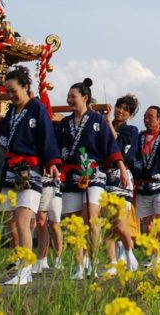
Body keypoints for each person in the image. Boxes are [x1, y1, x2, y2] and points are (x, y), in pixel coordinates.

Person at [0, 65, 61, 286]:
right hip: (11, 169)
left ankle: (26, 269)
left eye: (14, 90)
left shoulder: (37, 108)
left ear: (25, 86)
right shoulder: (12, 112)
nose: (11, 95)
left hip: (30, 169)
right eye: (8, 92)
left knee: (23, 220)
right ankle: (21, 264)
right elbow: (5, 138)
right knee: (12, 222)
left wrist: (51, 162)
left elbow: (47, 136)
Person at [56, 78, 128, 279]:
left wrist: (122, 169)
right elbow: (56, 148)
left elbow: (110, 146)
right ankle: (80, 264)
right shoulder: (64, 123)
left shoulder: (97, 120)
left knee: (92, 218)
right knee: (72, 222)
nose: (69, 100)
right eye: (68, 96)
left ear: (85, 98)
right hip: (71, 174)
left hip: (93, 173)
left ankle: (93, 262)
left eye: (73, 96)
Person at [104, 94, 142, 272]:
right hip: (104, 177)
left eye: (126, 110)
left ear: (130, 115)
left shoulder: (131, 131)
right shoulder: (105, 126)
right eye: (119, 107)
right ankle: (112, 261)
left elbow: (119, 148)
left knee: (119, 221)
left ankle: (129, 253)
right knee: (107, 223)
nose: (120, 111)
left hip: (121, 176)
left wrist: (106, 122)